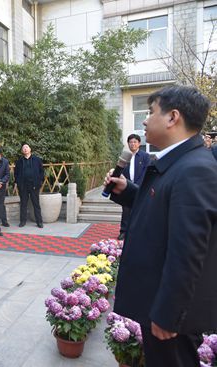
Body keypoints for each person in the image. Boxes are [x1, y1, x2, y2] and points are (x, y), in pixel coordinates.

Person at [104, 86, 217, 367]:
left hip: (169, 313)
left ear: (172, 118)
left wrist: (169, 313)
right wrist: (127, 191)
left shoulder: (194, 170)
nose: (144, 120)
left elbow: (188, 252)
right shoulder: (178, 163)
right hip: (156, 301)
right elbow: (162, 209)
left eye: (151, 111)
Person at [117, 134, 150, 240]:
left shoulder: (145, 156)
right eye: (131, 142)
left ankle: (138, 231)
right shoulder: (125, 156)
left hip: (139, 188)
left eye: (135, 142)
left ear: (139, 143)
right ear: (128, 144)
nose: (133, 144)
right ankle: (123, 231)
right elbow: (120, 170)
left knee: (139, 210)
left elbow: (146, 172)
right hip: (126, 188)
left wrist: (137, 185)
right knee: (126, 210)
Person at [14, 142, 44, 228]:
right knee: (23, 204)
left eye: (27, 147)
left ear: (30, 149)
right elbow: (16, 173)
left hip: (34, 185)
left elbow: (41, 172)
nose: (25, 149)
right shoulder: (19, 162)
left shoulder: (37, 160)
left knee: (36, 204)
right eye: (23, 148)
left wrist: (39, 182)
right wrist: (17, 182)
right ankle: (22, 221)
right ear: (22, 151)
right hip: (23, 186)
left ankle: (39, 222)